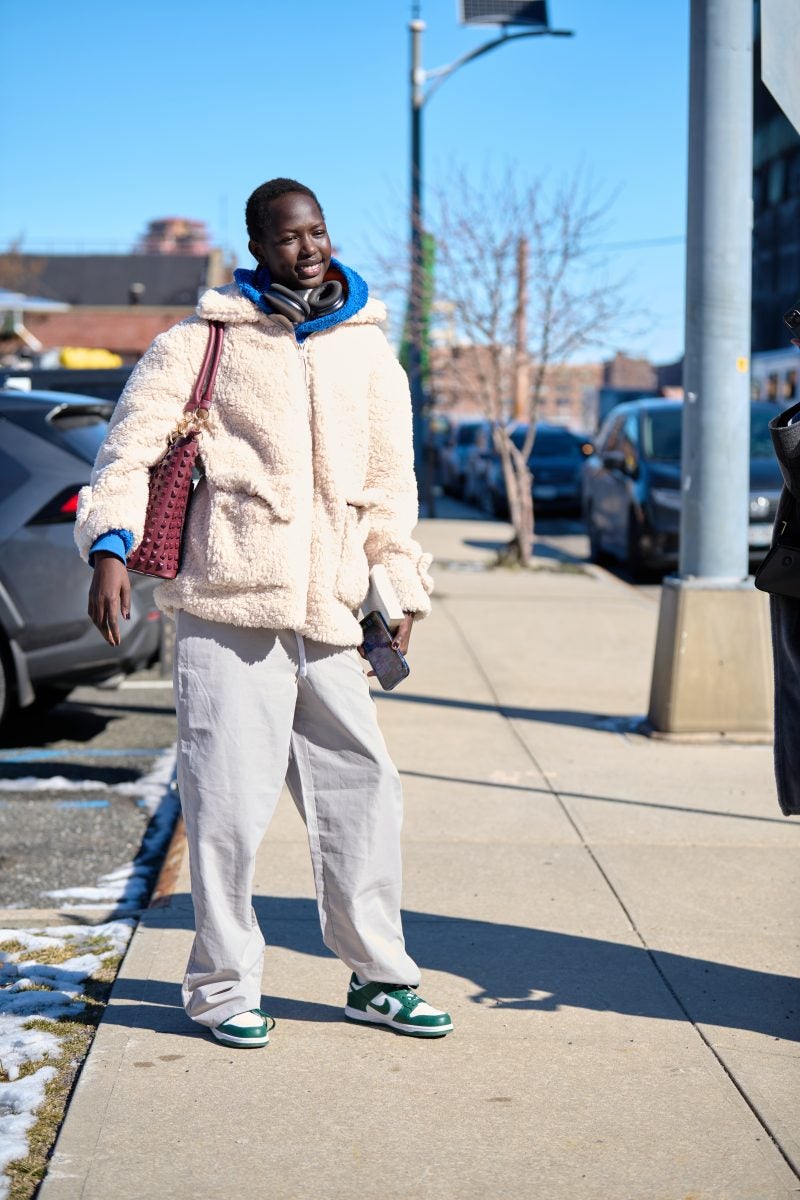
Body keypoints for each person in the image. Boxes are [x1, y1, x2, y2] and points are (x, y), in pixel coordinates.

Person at [76, 178, 453, 1045]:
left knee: (365, 792)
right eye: (289, 238)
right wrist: (108, 548)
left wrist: (399, 589)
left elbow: (390, 494)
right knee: (226, 808)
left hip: (328, 609)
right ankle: (221, 988)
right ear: (256, 246)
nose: (309, 248)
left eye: (318, 231)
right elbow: (127, 453)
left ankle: (379, 976)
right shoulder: (201, 341)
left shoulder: (369, 352)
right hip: (227, 605)